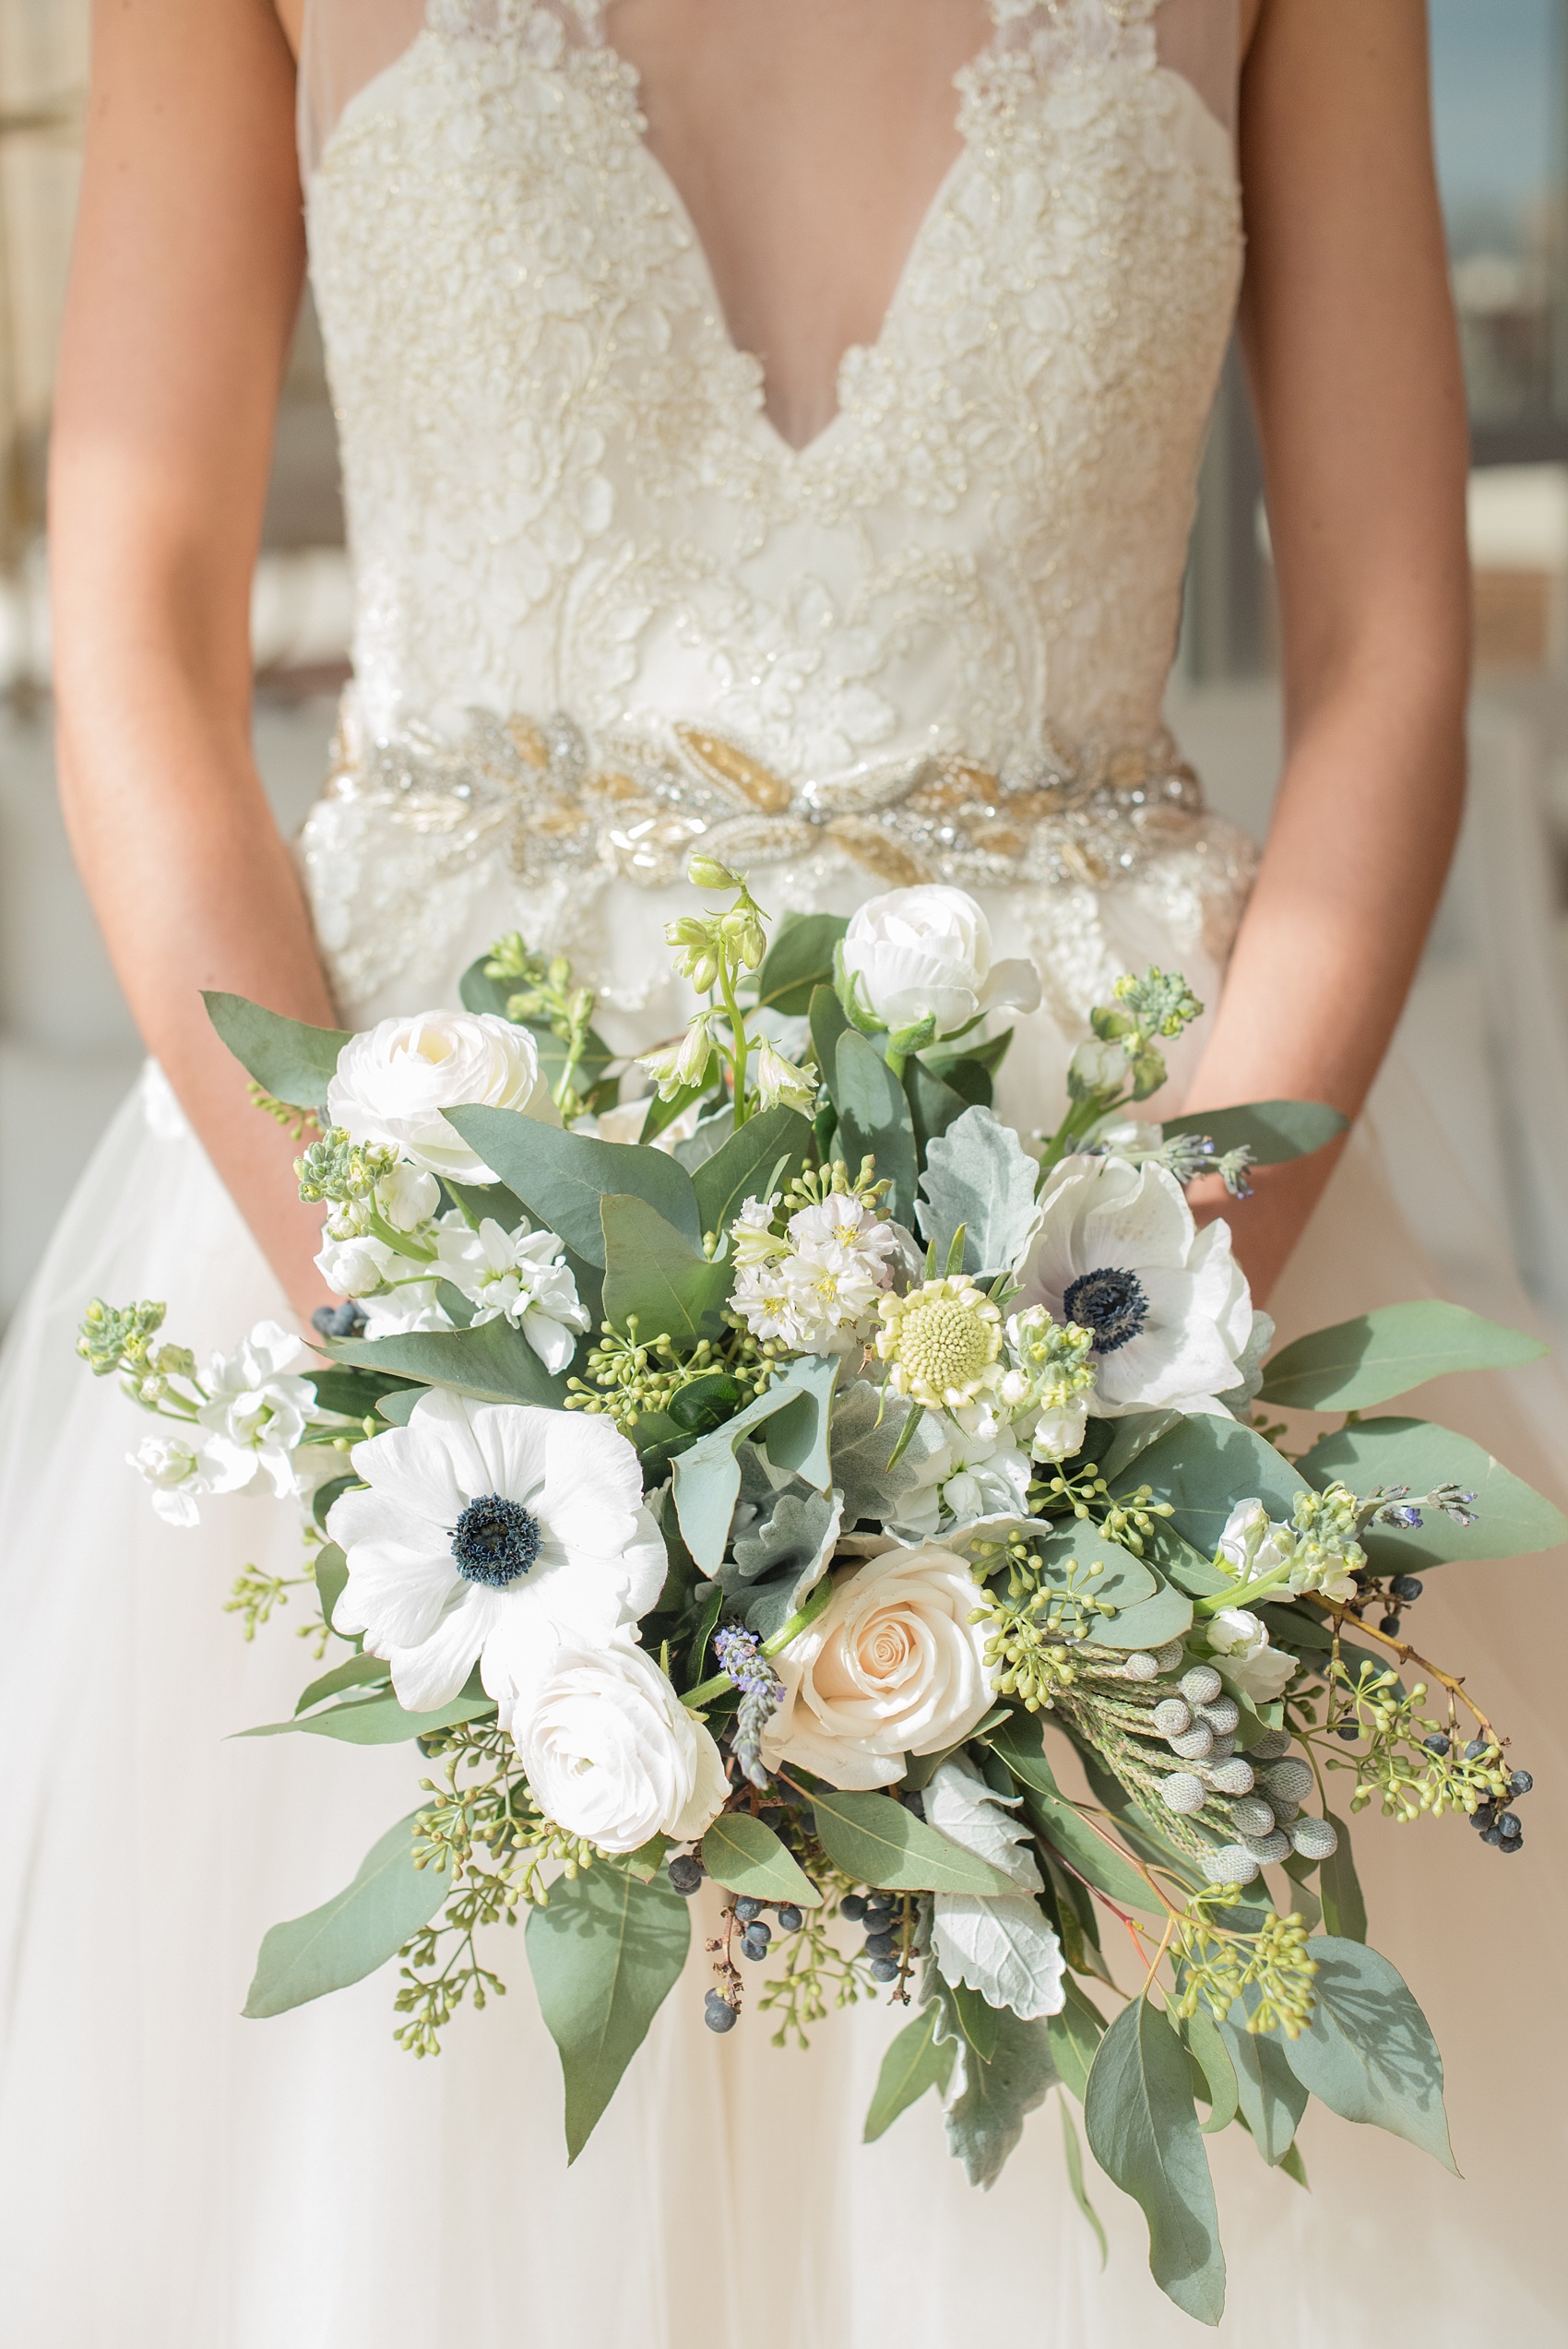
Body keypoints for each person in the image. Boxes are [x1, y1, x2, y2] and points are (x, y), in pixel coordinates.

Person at [0, 2, 1562, 2341]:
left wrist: (1119, 1359)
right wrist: (414, 1357)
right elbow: (127, 616)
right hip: (411, 1206)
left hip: (1121, 1217)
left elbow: (1382, 649)